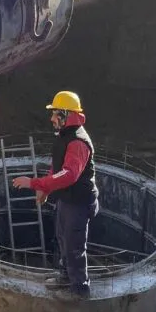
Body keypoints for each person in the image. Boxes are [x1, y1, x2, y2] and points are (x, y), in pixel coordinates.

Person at [12, 90, 99, 298]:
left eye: (55, 114)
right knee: (62, 238)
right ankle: (65, 277)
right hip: (67, 200)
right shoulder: (65, 137)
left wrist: (34, 183)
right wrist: (45, 188)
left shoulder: (77, 142)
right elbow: (57, 167)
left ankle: (80, 289)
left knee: (74, 246)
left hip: (78, 203)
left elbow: (69, 175)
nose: (51, 119)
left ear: (66, 115)